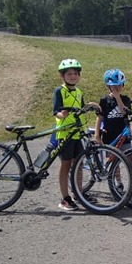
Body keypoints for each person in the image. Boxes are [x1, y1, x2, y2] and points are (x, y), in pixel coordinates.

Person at [53, 58, 97, 211]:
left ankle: (78, 193)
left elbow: (81, 108)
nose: (73, 76)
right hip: (65, 133)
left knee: (79, 164)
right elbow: (56, 111)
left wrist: (92, 106)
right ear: (63, 76)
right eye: (69, 74)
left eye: (75, 74)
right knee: (66, 165)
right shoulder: (60, 91)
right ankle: (65, 198)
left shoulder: (79, 92)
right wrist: (62, 115)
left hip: (78, 133)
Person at [94, 69, 132, 147]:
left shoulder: (126, 99)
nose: (118, 88)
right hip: (109, 137)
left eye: (120, 85)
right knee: (111, 154)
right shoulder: (104, 100)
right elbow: (99, 118)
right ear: (109, 86)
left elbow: (124, 112)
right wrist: (97, 135)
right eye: (114, 86)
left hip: (124, 138)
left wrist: (118, 97)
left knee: (127, 154)